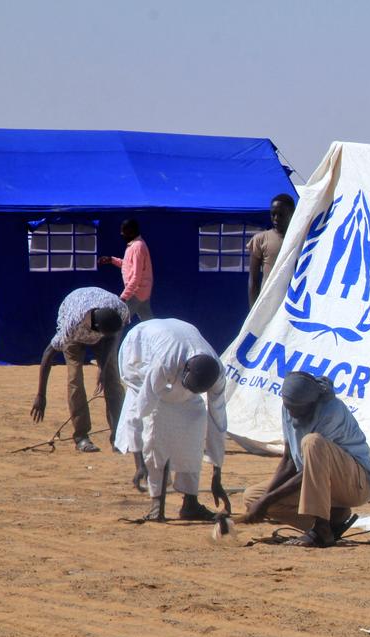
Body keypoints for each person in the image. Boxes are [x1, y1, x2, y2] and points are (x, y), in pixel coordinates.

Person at [239, 372, 370, 547]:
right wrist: (263, 501)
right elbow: (289, 460)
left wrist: (267, 500)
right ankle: (333, 517)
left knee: (312, 442)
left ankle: (321, 530)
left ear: (312, 403)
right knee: (253, 497)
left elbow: (309, 470)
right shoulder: (289, 407)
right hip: (322, 484)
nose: (291, 412)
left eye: (295, 408)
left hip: (356, 484)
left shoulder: (331, 411)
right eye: (287, 406)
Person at [113, 318, 229, 522]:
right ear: (183, 371)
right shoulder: (164, 363)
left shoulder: (218, 374)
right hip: (139, 353)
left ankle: (190, 503)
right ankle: (157, 504)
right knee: (155, 424)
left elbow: (217, 420)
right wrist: (139, 462)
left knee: (195, 420)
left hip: (174, 347)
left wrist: (216, 474)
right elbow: (138, 413)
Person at [29, 287, 129, 452]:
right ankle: (81, 436)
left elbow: (112, 338)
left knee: (112, 380)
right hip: (74, 321)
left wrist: (103, 368)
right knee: (75, 379)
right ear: (96, 329)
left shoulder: (120, 310)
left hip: (103, 328)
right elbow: (48, 354)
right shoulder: (72, 327)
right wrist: (41, 395)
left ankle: (119, 436)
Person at [99, 219, 154, 321]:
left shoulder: (138, 247)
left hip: (136, 293)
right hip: (141, 292)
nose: (121, 234)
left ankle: (111, 338)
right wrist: (112, 260)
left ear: (131, 232)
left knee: (117, 323)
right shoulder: (134, 245)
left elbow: (136, 276)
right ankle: (158, 336)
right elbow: (128, 265)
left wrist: (123, 297)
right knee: (148, 322)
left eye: (124, 231)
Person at [247, 193, 296, 306]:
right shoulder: (260, 239)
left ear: (292, 213)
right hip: (268, 303)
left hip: (292, 302)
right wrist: (253, 310)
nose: (276, 219)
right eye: (273, 214)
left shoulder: (300, 238)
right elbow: (253, 280)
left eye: (281, 214)